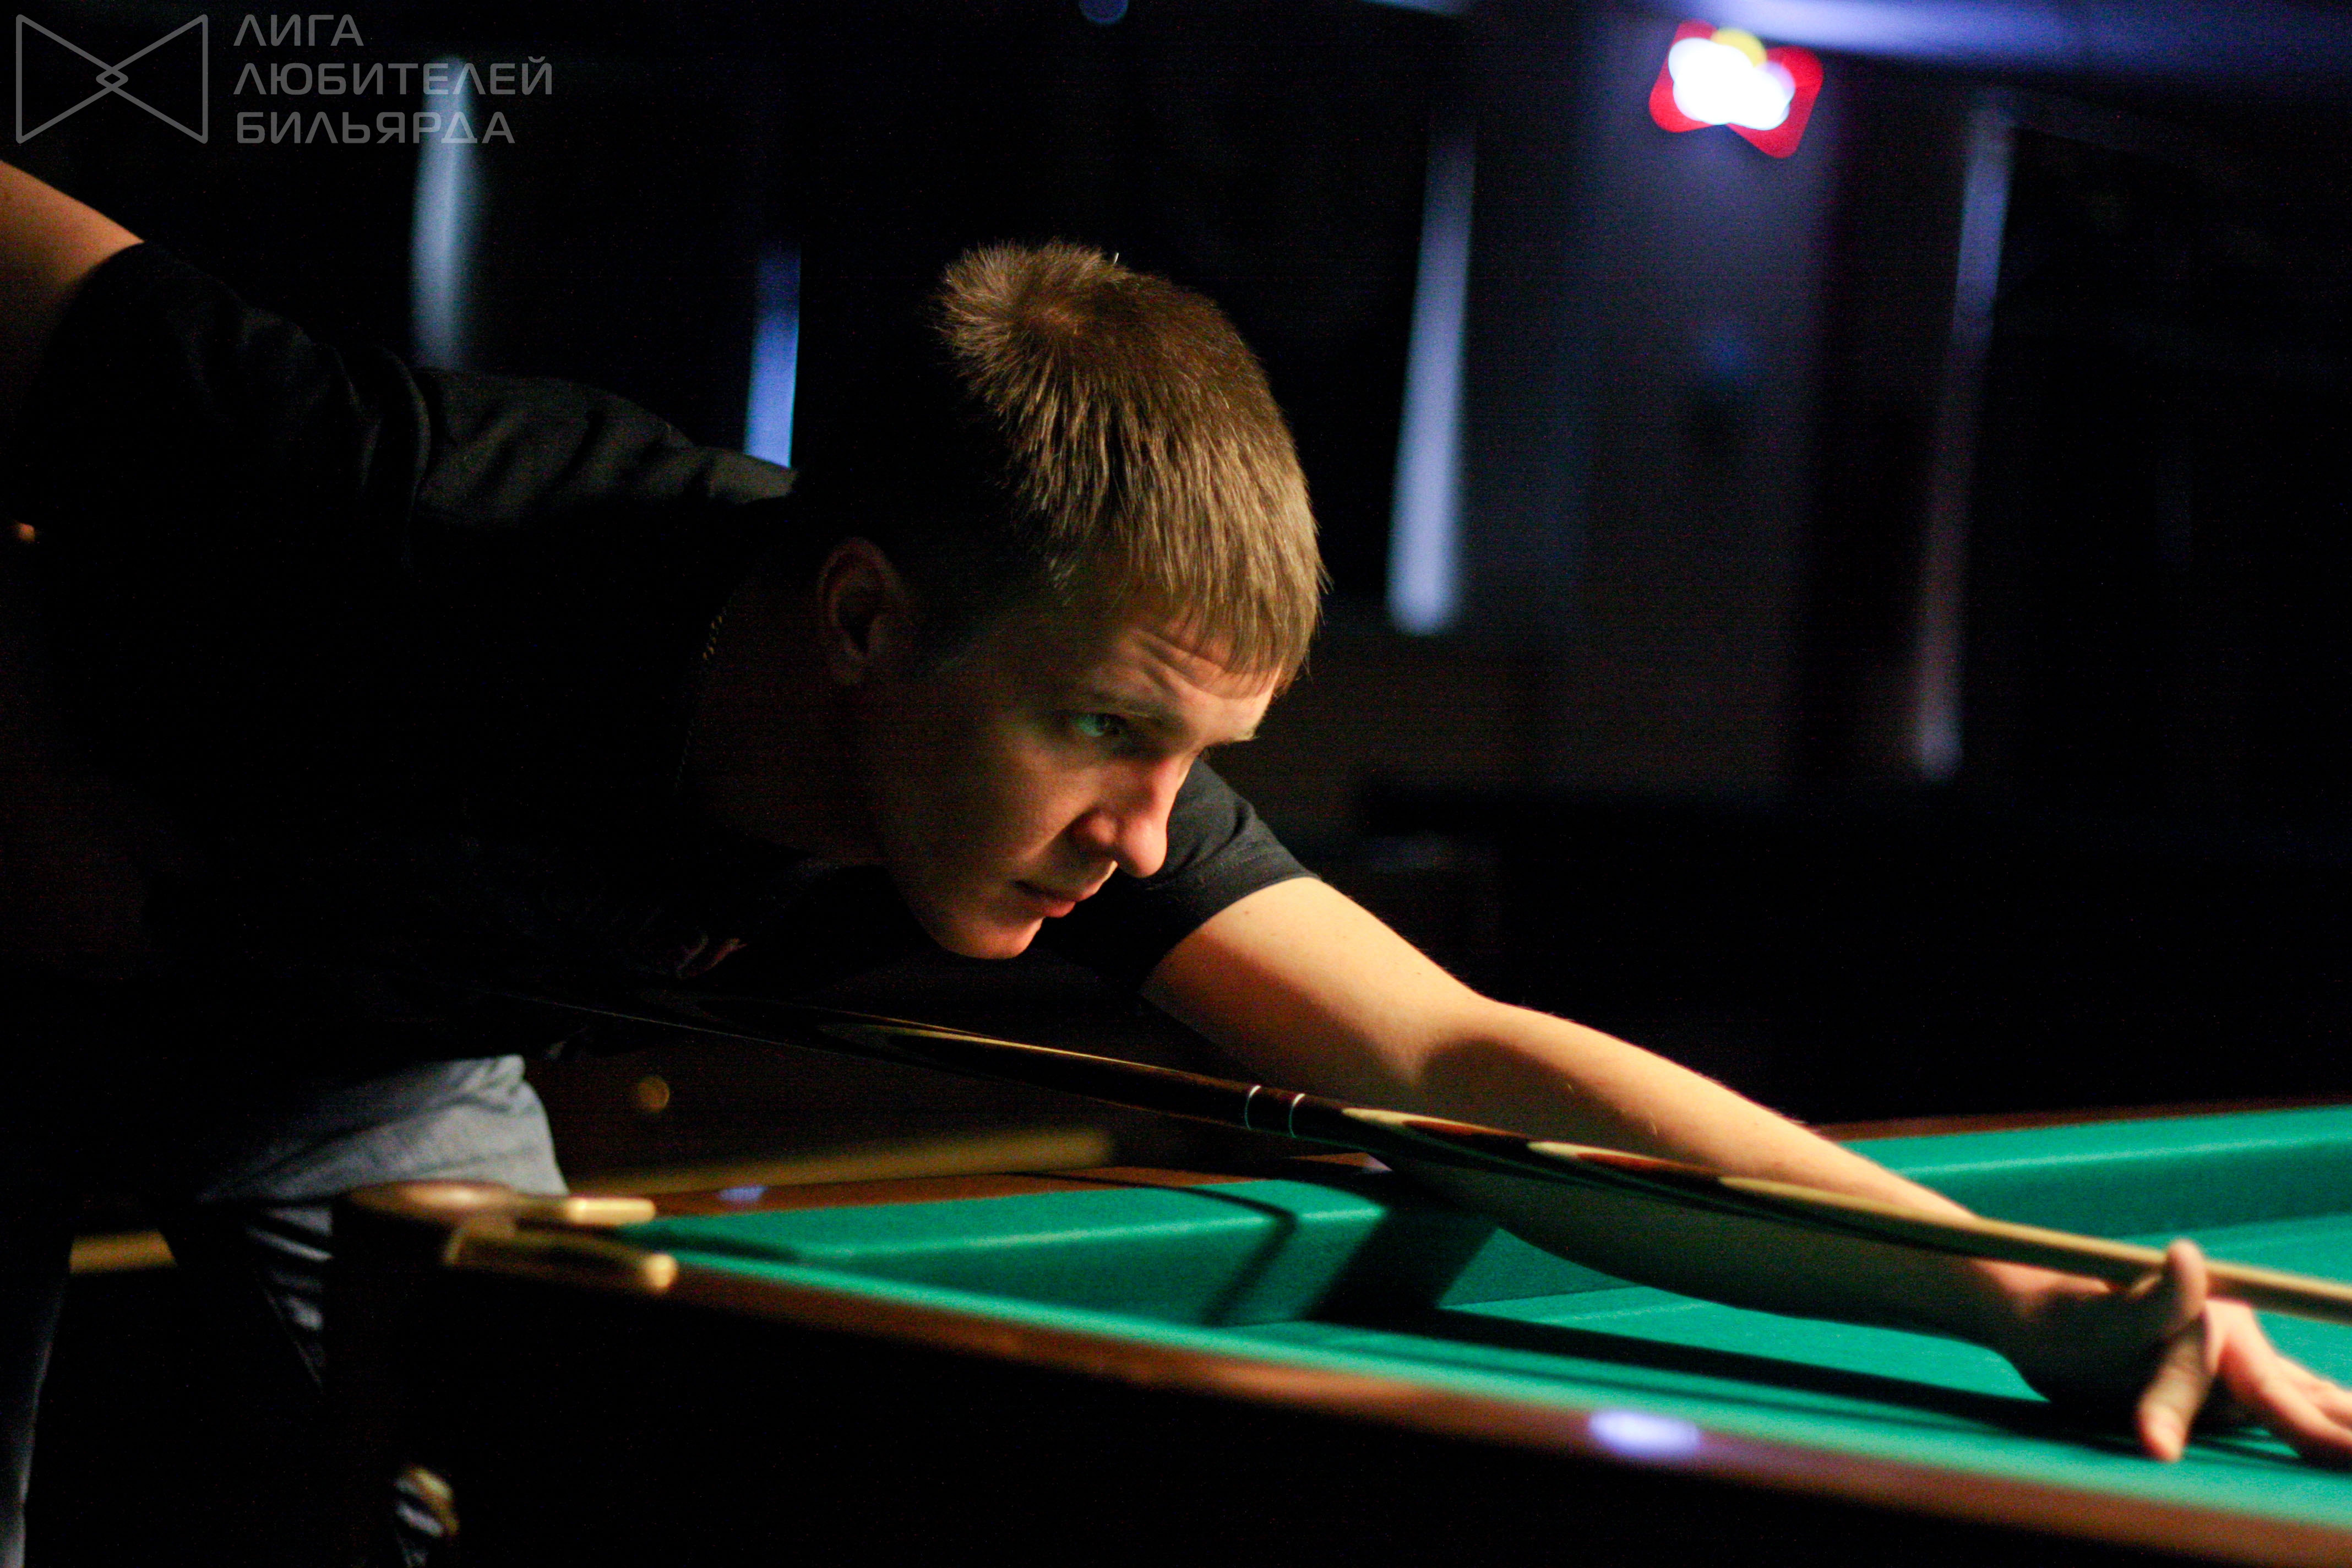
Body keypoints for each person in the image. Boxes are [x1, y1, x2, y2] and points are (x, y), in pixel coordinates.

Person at [2, 160, 2349, 1562]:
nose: (1148, 832)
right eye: (1114, 734)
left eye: (1199, 757)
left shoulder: (1068, 790)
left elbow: (1461, 1057)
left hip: (360, 1045)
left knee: (515, 1486)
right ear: (865, 625)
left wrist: (2017, 1295)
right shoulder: (409, 495)